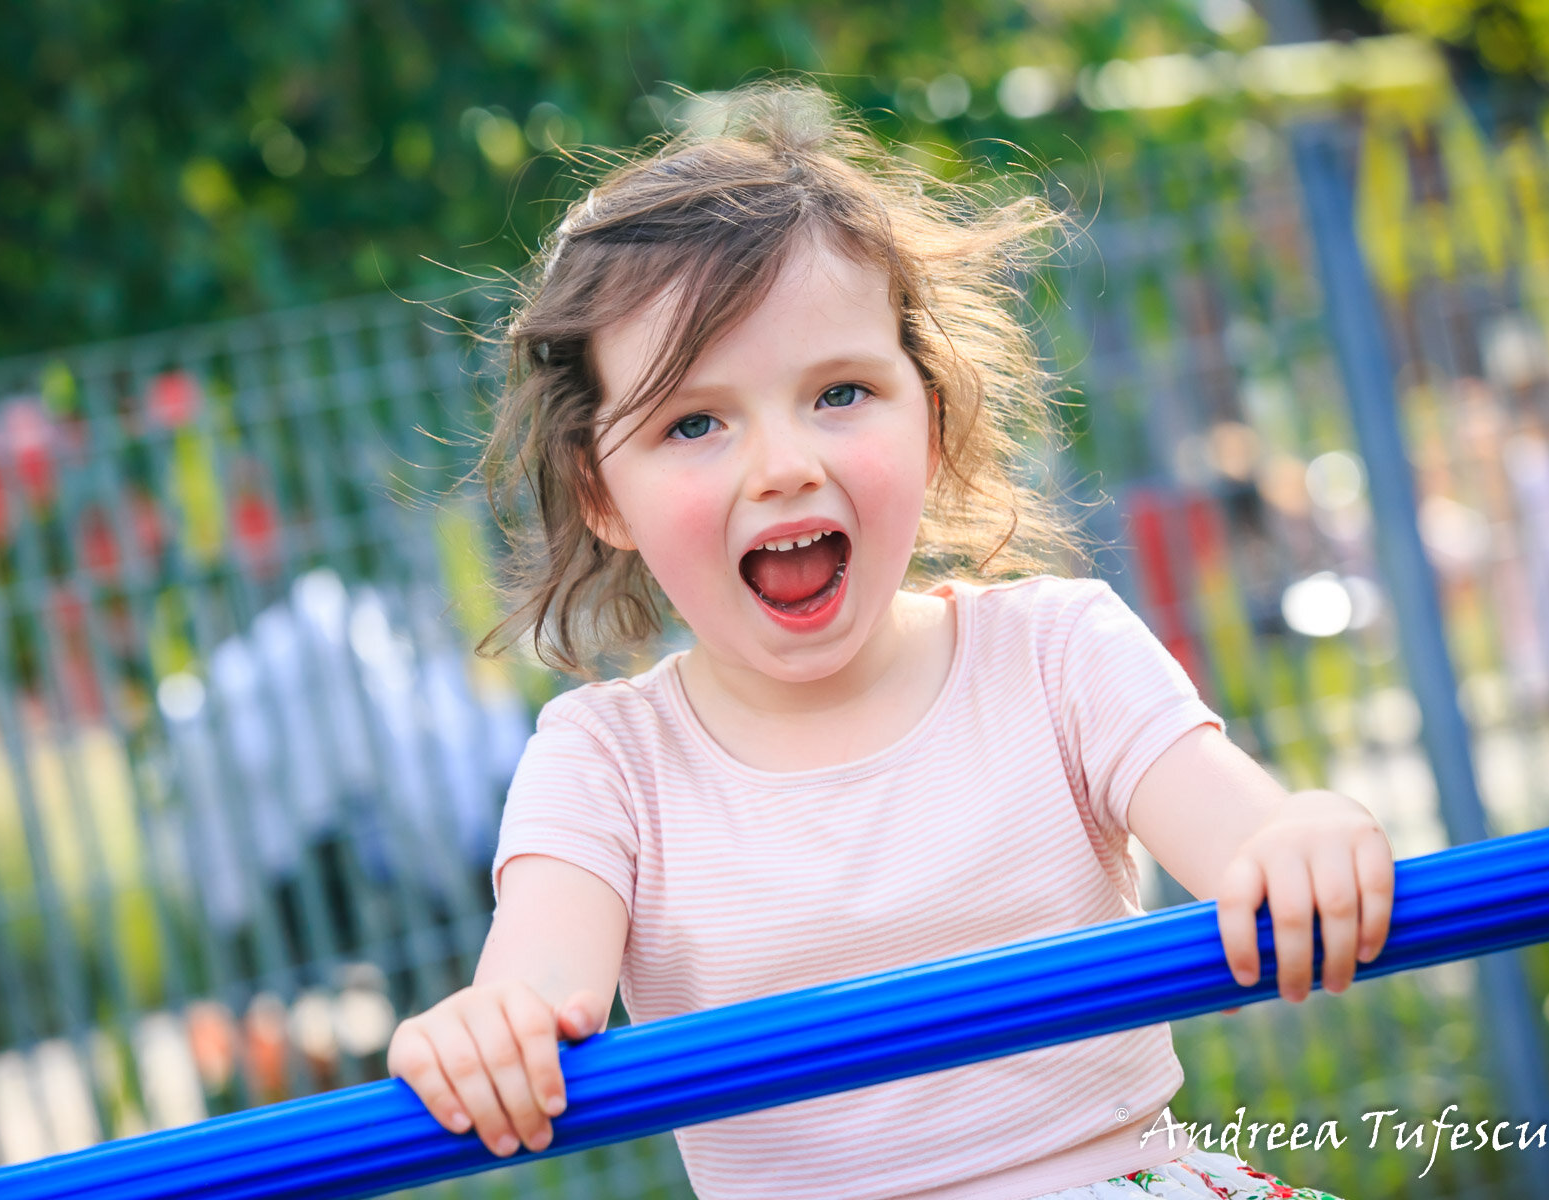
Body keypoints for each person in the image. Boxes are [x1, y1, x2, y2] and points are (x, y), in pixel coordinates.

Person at [386, 81, 1394, 1200]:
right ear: (601, 493)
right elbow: (535, 989)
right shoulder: (607, 762)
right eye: (694, 421)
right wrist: (488, 1030)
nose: (782, 465)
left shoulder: (1056, 656)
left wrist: (1308, 835)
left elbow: (1252, 842)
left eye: (841, 392)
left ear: (933, 414)